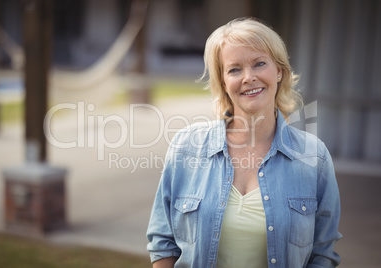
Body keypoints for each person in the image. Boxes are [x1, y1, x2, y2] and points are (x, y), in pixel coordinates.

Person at [146, 17, 342, 267]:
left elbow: (322, 254)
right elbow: (162, 242)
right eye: (235, 69)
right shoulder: (187, 146)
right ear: (224, 82)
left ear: (279, 71)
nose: (248, 77)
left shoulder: (314, 156)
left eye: (259, 64)